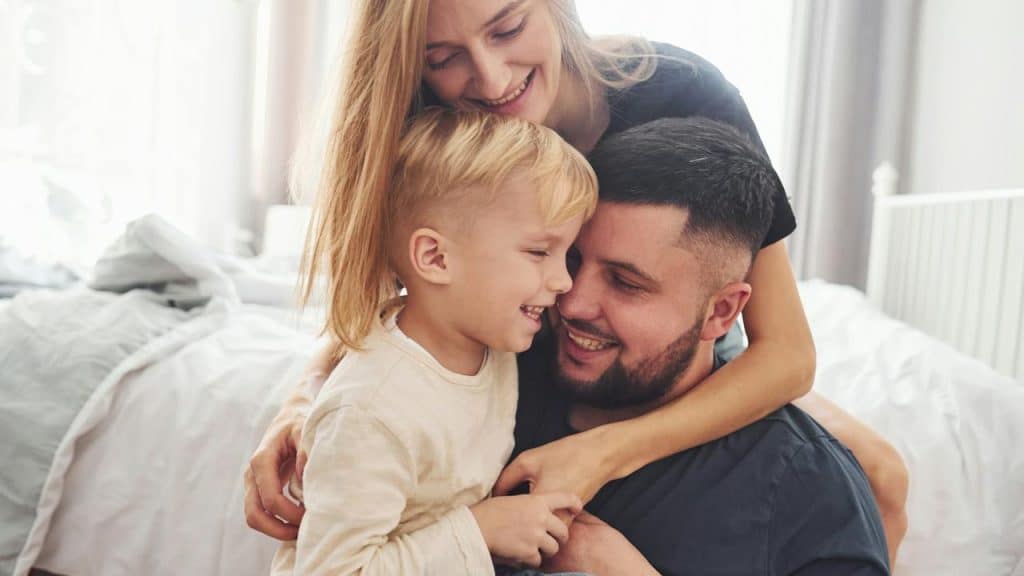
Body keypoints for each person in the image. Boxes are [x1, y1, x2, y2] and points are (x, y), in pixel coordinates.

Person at [244, 0, 908, 563]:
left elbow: (788, 353)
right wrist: (303, 402)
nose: (491, 77)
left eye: (507, 28)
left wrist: (603, 453)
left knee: (877, 475)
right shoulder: (434, 122)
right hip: (509, 336)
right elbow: (396, 305)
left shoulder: (681, 96)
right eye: (443, 57)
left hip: (666, 341)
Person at [519, 117, 889, 575]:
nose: (572, 302)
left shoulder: (805, 490)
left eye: (626, 283)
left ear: (721, 313)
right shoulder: (495, 388)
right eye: (571, 259)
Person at [271, 108, 597, 574]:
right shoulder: (371, 411)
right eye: (539, 252)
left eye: (567, 254)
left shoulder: (487, 337)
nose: (564, 281)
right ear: (435, 258)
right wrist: (480, 532)